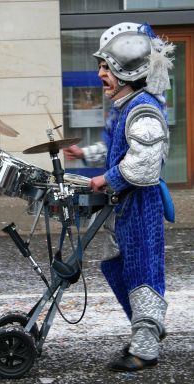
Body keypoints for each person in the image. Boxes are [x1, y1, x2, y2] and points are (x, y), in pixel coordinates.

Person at [63, 22, 175, 371]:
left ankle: (145, 349)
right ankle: (148, 329)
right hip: (125, 206)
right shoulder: (124, 107)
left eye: (106, 67)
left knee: (142, 272)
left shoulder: (143, 108)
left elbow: (143, 168)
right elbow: (117, 150)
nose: (100, 74)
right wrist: (85, 155)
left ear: (128, 71)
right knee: (117, 267)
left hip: (140, 206)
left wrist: (104, 179)